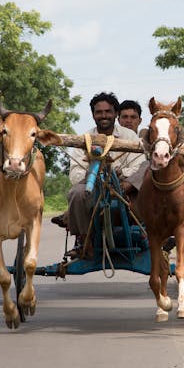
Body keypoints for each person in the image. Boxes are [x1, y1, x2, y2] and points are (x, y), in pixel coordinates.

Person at [59, 92, 147, 258]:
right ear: (93, 115)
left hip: (123, 188)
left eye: (108, 111)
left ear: (115, 114)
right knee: (75, 194)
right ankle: (85, 242)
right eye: (99, 112)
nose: (104, 116)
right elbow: (75, 173)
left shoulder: (130, 137)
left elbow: (138, 165)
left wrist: (117, 174)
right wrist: (95, 175)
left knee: (148, 169)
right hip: (92, 187)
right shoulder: (84, 139)